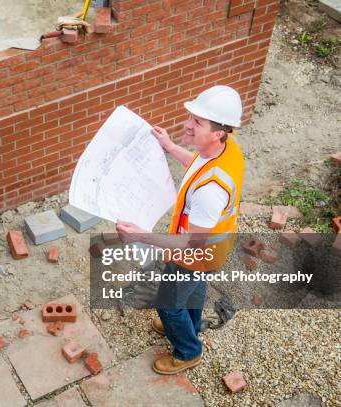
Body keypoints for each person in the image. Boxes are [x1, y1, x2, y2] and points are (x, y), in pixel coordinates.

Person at [115, 85, 245, 375]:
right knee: (194, 287)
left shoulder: (210, 193)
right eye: (191, 117)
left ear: (218, 132)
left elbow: (189, 246)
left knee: (168, 304)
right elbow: (199, 167)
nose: (188, 124)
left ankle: (188, 351)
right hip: (214, 247)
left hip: (198, 250)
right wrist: (171, 147)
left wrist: (139, 236)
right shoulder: (227, 149)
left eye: (197, 122)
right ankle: (191, 323)